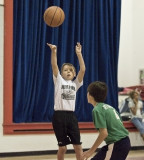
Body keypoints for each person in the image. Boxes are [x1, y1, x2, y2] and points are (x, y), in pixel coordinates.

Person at [47, 42, 86, 160]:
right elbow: (54, 65)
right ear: (61, 73)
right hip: (59, 116)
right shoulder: (59, 81)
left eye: (71, 70)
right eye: (65, 70)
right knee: (63, 148)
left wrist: (79, 54)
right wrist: (54, 52)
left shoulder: (75, 84)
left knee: (78, 146)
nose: (68, 72)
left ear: (74, 74)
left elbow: (83, 70)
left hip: (71, 116)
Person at [81, 81, 131, 160]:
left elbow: (104, 133)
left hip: (117, 144)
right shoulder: (109, 107)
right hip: (123, 142)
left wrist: (91, 151)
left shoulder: (97, 110)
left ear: (90, 95)